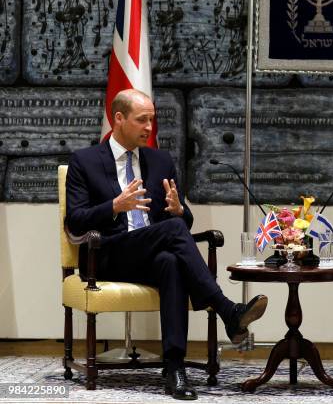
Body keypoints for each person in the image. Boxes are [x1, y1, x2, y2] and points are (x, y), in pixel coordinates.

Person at [65, 89, 268, 400]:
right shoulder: (85, 161)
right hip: (106, 255)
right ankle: (227, 309)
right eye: (142, 120)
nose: (149, 127)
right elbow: (75, 222)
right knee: (171, 234)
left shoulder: (159, 160)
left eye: (152, 119)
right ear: (119, 119)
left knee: (171, 262)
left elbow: (182, 226)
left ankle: (175, 368)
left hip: (150, 253)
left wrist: (179, 210)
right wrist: (114, 207)